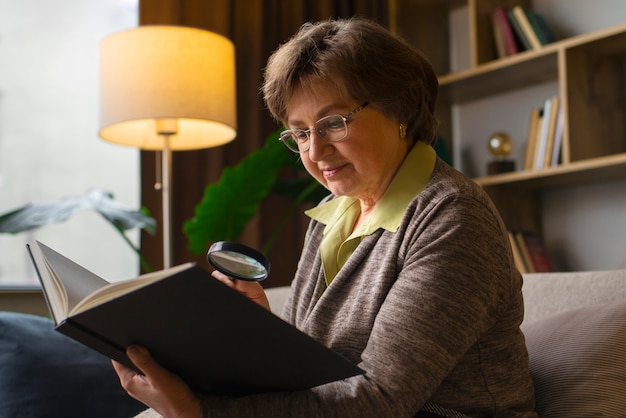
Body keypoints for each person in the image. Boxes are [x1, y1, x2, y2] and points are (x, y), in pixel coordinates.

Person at [113, 17, 538, 417]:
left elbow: (381, 400)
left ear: (402, 111)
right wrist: (262, 330)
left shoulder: (451, 215)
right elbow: (312, 373)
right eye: (299, 132)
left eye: (332, 123)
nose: (314, 152)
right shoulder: (334, 214)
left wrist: (201, 411)